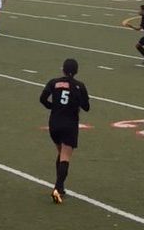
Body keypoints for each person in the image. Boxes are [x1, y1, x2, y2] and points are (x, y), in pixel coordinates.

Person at [40, 59, 90, 204]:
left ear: (63, 69)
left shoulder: (53, 82)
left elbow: (42, 99)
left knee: (61, 153)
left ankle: (60, 187)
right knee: (66, 156)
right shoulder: (79, 86)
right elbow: (86, 107)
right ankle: (58, 187)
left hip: (54, 123)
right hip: (70, 124)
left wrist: (52, 106)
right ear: (76, 71)